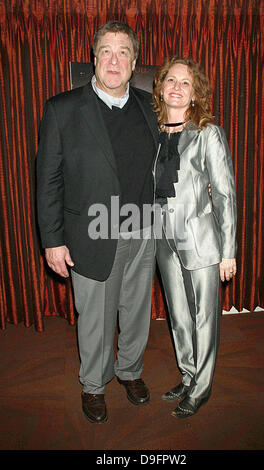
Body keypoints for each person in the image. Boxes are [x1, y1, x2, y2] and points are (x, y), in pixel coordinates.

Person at [36, 21, 158, 424]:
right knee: (95, 317)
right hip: (91, 232)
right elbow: (48, 180)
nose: (114, 59)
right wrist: (52, 241)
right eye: (106, 50)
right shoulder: (63, 109)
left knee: (136, 311)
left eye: (123, 52)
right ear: (93, 59)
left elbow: (167, 162)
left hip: (143, 229)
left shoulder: (149, 106)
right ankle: (93, 384)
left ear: (134, 62)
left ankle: (130, 371)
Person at [152, 57, 237, 419]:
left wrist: (228, 251)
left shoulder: (207, 133)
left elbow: (224, 194)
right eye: (171, 80)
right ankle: (188, 375)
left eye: (185, 83)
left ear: (194, 92)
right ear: (160, 87)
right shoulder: (151, 132)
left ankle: (201, 389)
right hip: (163, 240)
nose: (176, 87)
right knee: (178, 316)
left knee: (204, 317)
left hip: (200, 239)